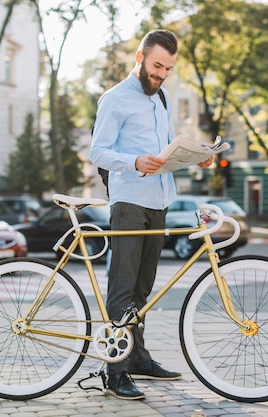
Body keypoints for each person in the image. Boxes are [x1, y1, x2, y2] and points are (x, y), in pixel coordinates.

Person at [89, 29, 215, 400]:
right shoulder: (114, 99)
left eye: (168, 69)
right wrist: (133, 161)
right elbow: (97, 152)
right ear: (140, 57)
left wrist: (197, 157)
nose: (161, 74)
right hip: (129, 201)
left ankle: (138, 358)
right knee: (123, 287)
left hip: (160, 201)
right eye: (157, 65)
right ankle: (115, 371)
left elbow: (166, 150)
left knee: (143, 289)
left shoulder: (163, 99)